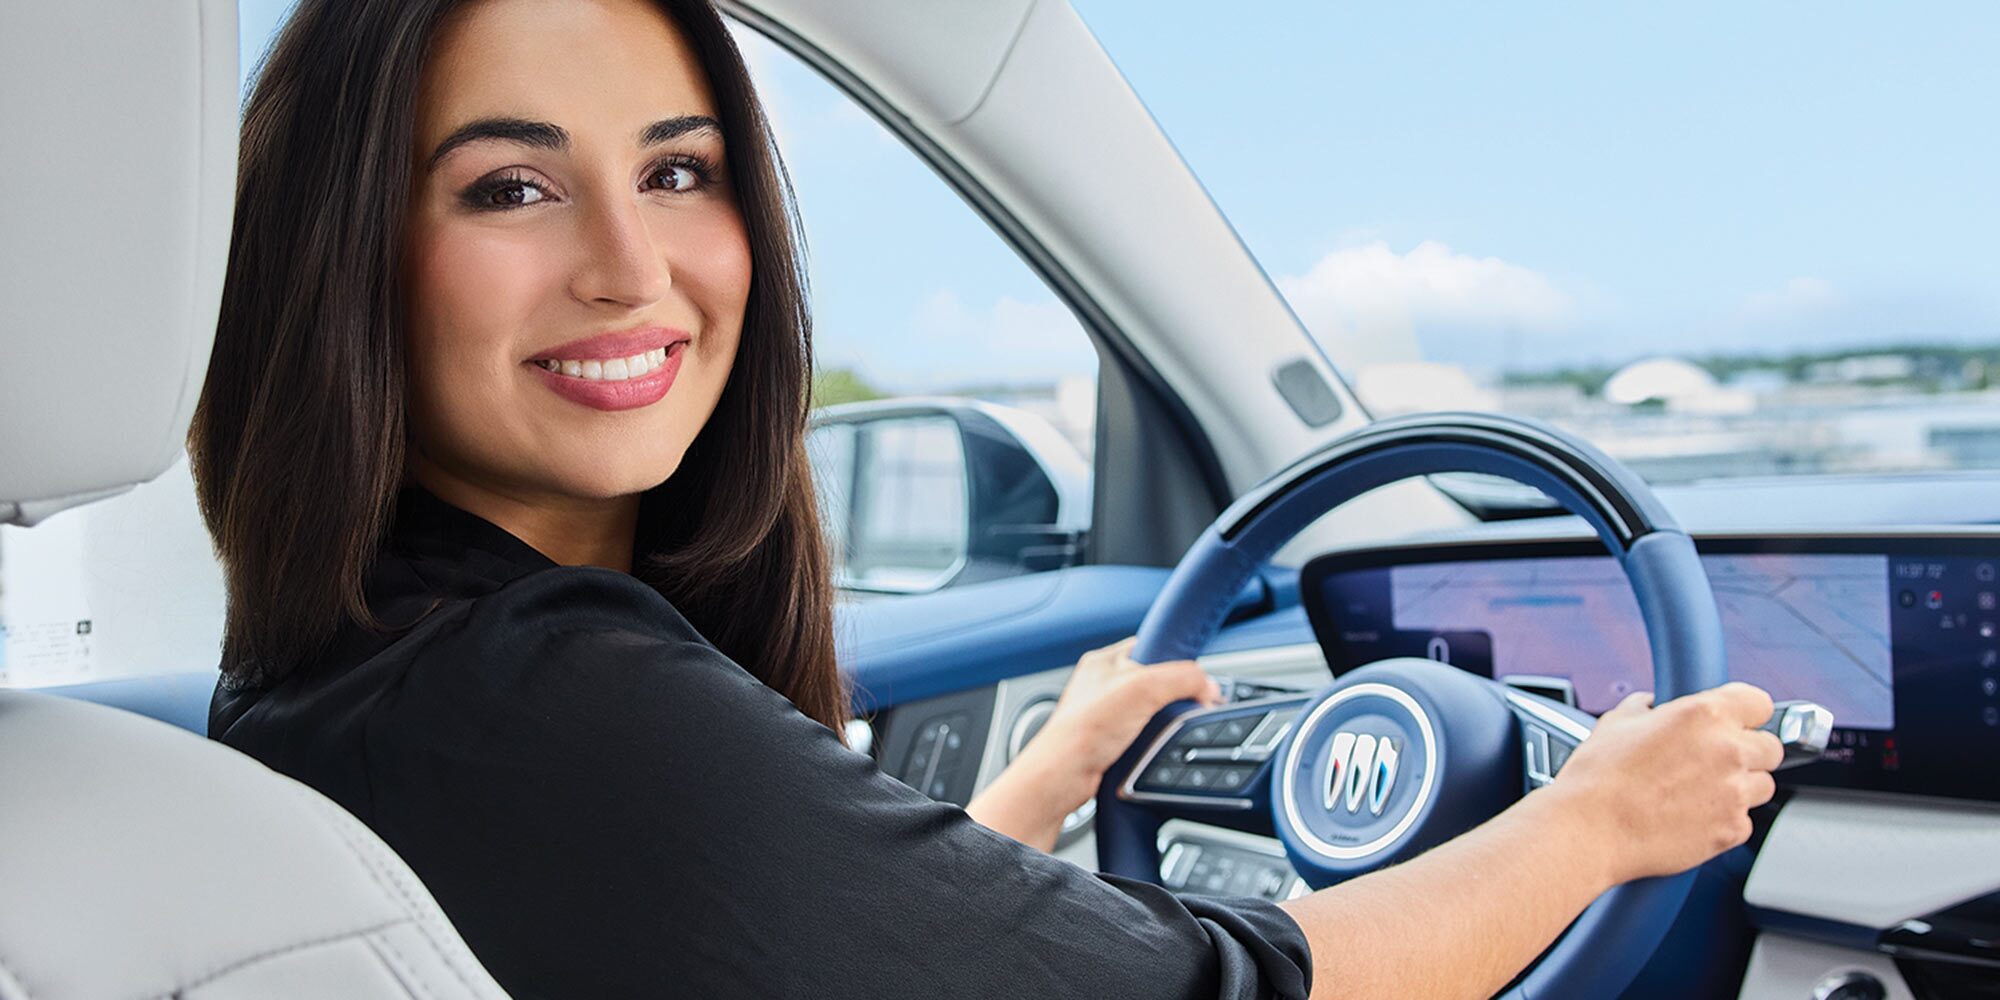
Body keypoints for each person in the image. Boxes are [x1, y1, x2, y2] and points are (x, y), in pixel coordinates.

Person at [191, 1, 1785, 997]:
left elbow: (798, 932)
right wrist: (1600, 819)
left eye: (680, 170)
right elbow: (1228, 990)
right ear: (341, 263)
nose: (632, 266)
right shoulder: (555, 696)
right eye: (512, 188)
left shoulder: (353, 671)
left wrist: (1045, 783)